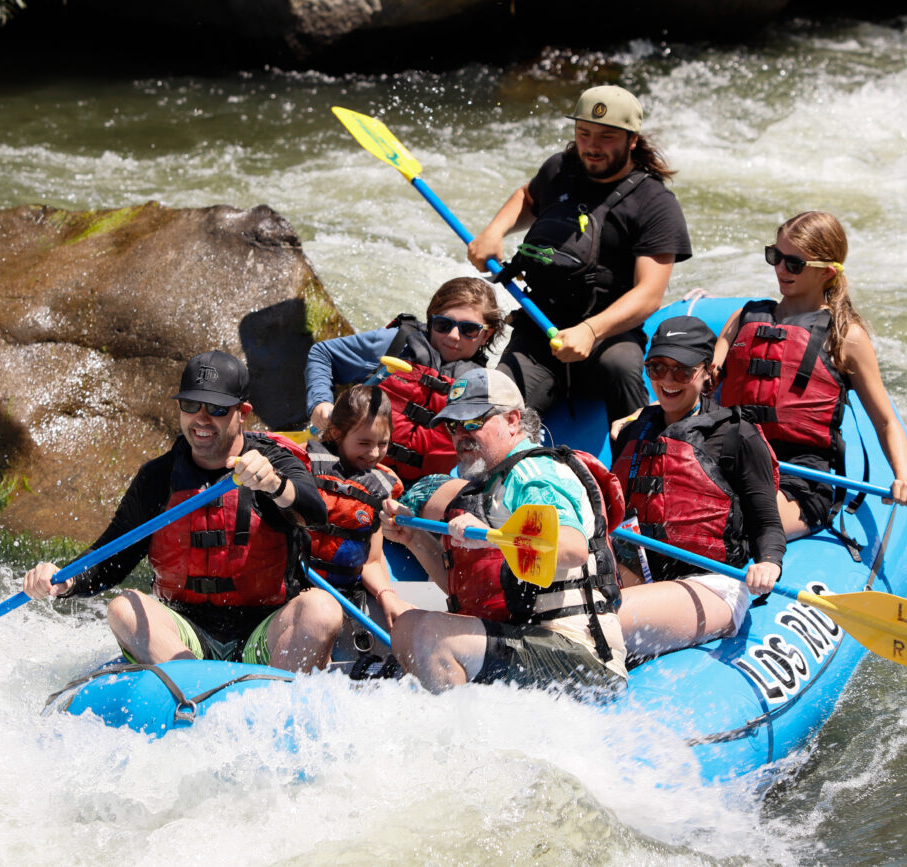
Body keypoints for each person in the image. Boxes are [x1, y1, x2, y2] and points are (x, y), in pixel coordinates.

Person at [22, 350, 342, 673]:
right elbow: (110, 558)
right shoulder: (158, 478)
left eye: (216, 409)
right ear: (179, 409)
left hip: (264, 632)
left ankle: (274, 697)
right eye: (191, 406)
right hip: (186, 638)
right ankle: (196, 688)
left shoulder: (275, 463)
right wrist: (64, 580)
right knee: (123, 608)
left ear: (242, 412)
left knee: (323, 609)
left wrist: (274, 484)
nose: (202, 419)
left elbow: (314, 513)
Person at [381, 368, 628, 695]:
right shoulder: (495, 483)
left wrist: (490, 536)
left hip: (581, 659)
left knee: (423, 631)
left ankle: (455, 742)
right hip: (530, 644)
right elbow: (467, 588)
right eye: (454, 426)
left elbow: (572, 548)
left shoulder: (535, 473)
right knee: (409, 628)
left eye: (473, 423)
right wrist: (413, 538)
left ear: (513, 421)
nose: (460, 435)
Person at [466, 84, 693, 423]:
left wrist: (589, 331)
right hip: (542, 327)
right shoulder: (560, 169)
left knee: (621, 367)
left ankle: (640, 458)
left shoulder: (655, 203)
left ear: (632, 140)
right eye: (583, 133)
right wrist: (494, 231)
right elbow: (529, 197)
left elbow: (649, 295)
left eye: (606, 137)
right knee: (497, 408)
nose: (592, 146)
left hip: (610, 333)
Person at [713, 211, 907, 539]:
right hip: (732, 458)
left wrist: (905, 475)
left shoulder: (846, 337)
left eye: (794, 263)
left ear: (826, 272)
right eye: (775, 256)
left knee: (737, 525)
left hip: (800, 477)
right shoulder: (744, 318)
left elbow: (885, 421)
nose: (780, 269)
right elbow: (703, 387)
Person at [611, 317, 786, 663]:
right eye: (657, 368)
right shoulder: (635, 431)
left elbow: (766, 522)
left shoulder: (738, 435)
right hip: (642, 575)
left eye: (682, 371)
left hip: (713, 584)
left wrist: (768, 564)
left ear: (707, 372)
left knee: (600, 619)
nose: (667, 381)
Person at [305, 276, 506, 483]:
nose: (454, 336)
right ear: (431, 320)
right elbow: (323, 354)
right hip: (347, 465)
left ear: (486, 335)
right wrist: (319, 402)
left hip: (416, 491)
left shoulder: (485, 387)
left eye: (469, 329)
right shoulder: (397, 344)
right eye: (443, 324)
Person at [305, 384, 411, 632]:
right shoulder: (301, 466)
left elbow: (372, 561)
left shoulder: (380, 489)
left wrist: (387, 594)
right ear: (336, 433)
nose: (374, 453)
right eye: (364, 442)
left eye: (382, 443)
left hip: (347, 594)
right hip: (297, 593)